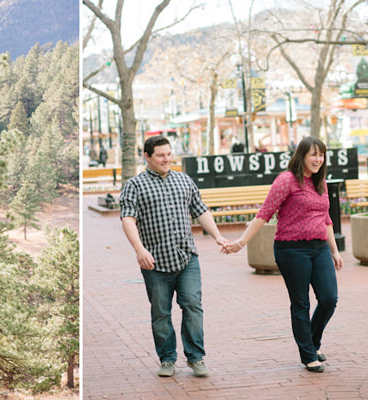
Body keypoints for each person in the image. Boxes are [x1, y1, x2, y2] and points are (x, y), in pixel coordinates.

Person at [223, 136, 343, 373]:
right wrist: (241, 242)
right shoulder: (286, 181)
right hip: (292, 249)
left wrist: (334, 251)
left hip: (319, 248)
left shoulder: (321, 182)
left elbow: (326, 218)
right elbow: (264, 214)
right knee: (301, 302)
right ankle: (308, 355)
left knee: (329, 298)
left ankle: (312, 343)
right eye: (313, 154)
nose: (318, 159)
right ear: (302, 156)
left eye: (321, 155)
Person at [119, 135, 228, 378]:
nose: (166, 158)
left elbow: (201, 210)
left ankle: (195, 357)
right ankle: (167, 359)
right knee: (161, 312)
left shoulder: (183, 180)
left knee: (192, 306)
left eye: (169, 153)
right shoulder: (135, 186)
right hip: (155, 262)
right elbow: (128, 219)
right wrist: (139, 250)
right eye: (160, 155)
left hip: (187, 257)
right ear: (147, 157)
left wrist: (218, 236)